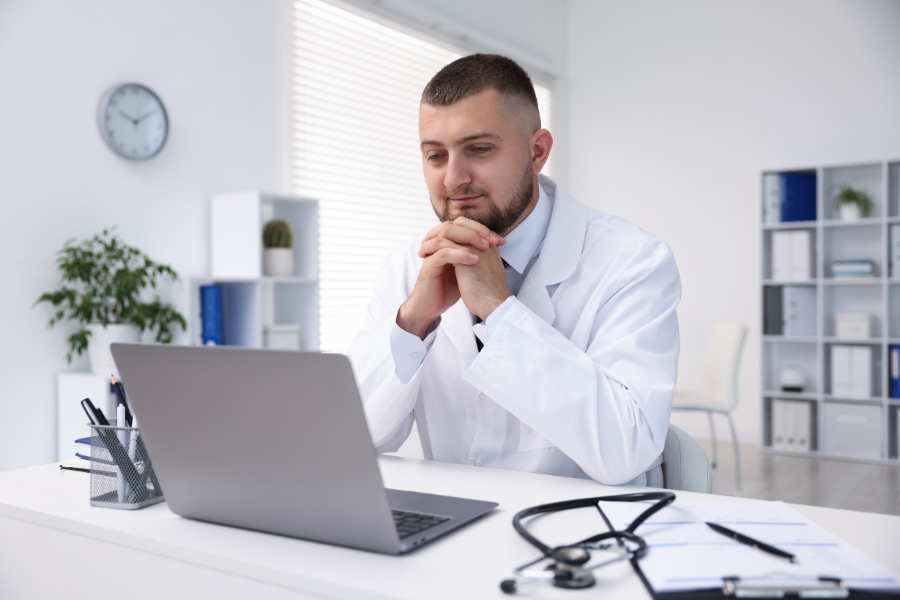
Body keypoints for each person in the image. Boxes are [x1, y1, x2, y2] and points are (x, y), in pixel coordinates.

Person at [347, 54, 681, 486]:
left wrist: (498, 311)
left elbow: (627, 451)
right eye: (435, 155)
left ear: (537, 151)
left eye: (479, 149)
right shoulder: (405, 268)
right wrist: (413, 322)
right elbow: (357, 437)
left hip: (587, 533)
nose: (453, 179)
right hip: (454, 530)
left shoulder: (633, 261)